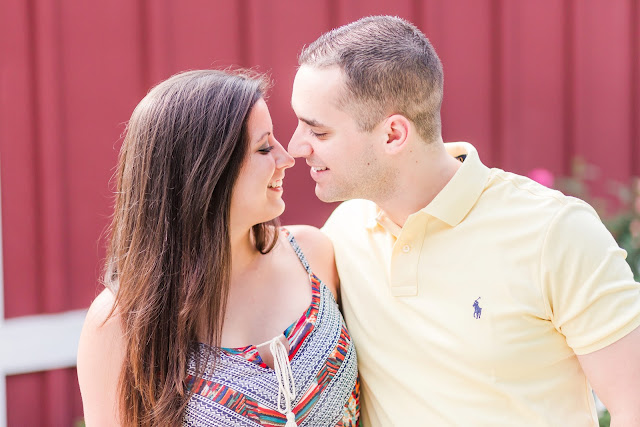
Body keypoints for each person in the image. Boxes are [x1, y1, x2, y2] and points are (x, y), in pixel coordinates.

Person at [288, 15, 640, 426]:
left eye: (319, 132)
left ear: (393, 135)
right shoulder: (344, 231)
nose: (296, 147)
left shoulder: (555, 233)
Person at [77, 70, 359, 426]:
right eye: (263, 147)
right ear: (205, 173)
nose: (287, 158)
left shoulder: (313, 253)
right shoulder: (119, 323)